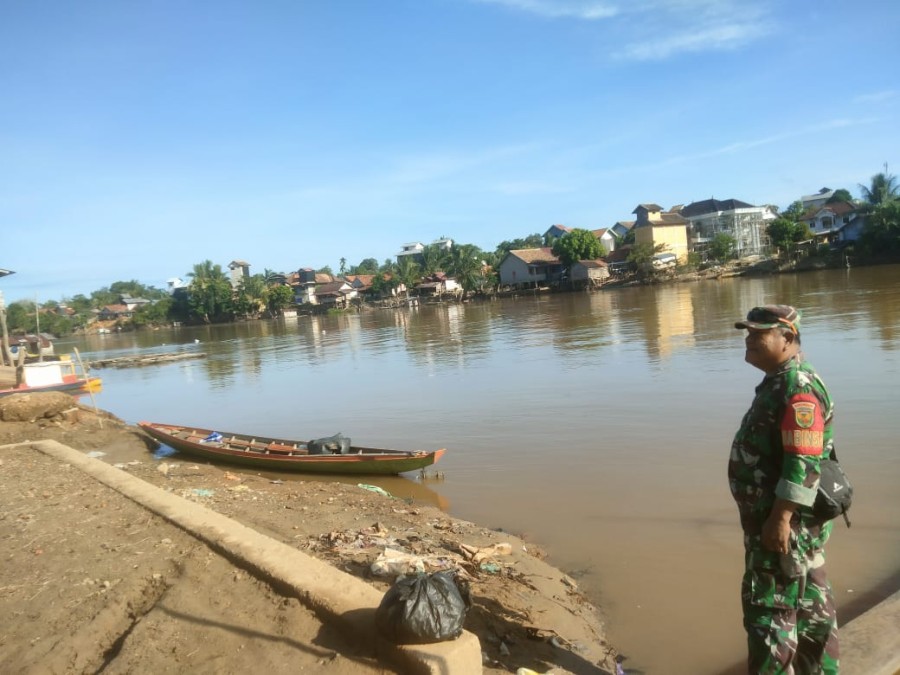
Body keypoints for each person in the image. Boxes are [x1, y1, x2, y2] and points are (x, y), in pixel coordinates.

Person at [729, 305, 839, 674]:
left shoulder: (797, 388)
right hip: (793, 528)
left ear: (787, 338)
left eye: (758, 334)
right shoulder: (782, 381)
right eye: (748, 332)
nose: (748, 339)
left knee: (769, 617)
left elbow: (802, 463)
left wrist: (780, 520)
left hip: (783, 529)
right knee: (811, 612)